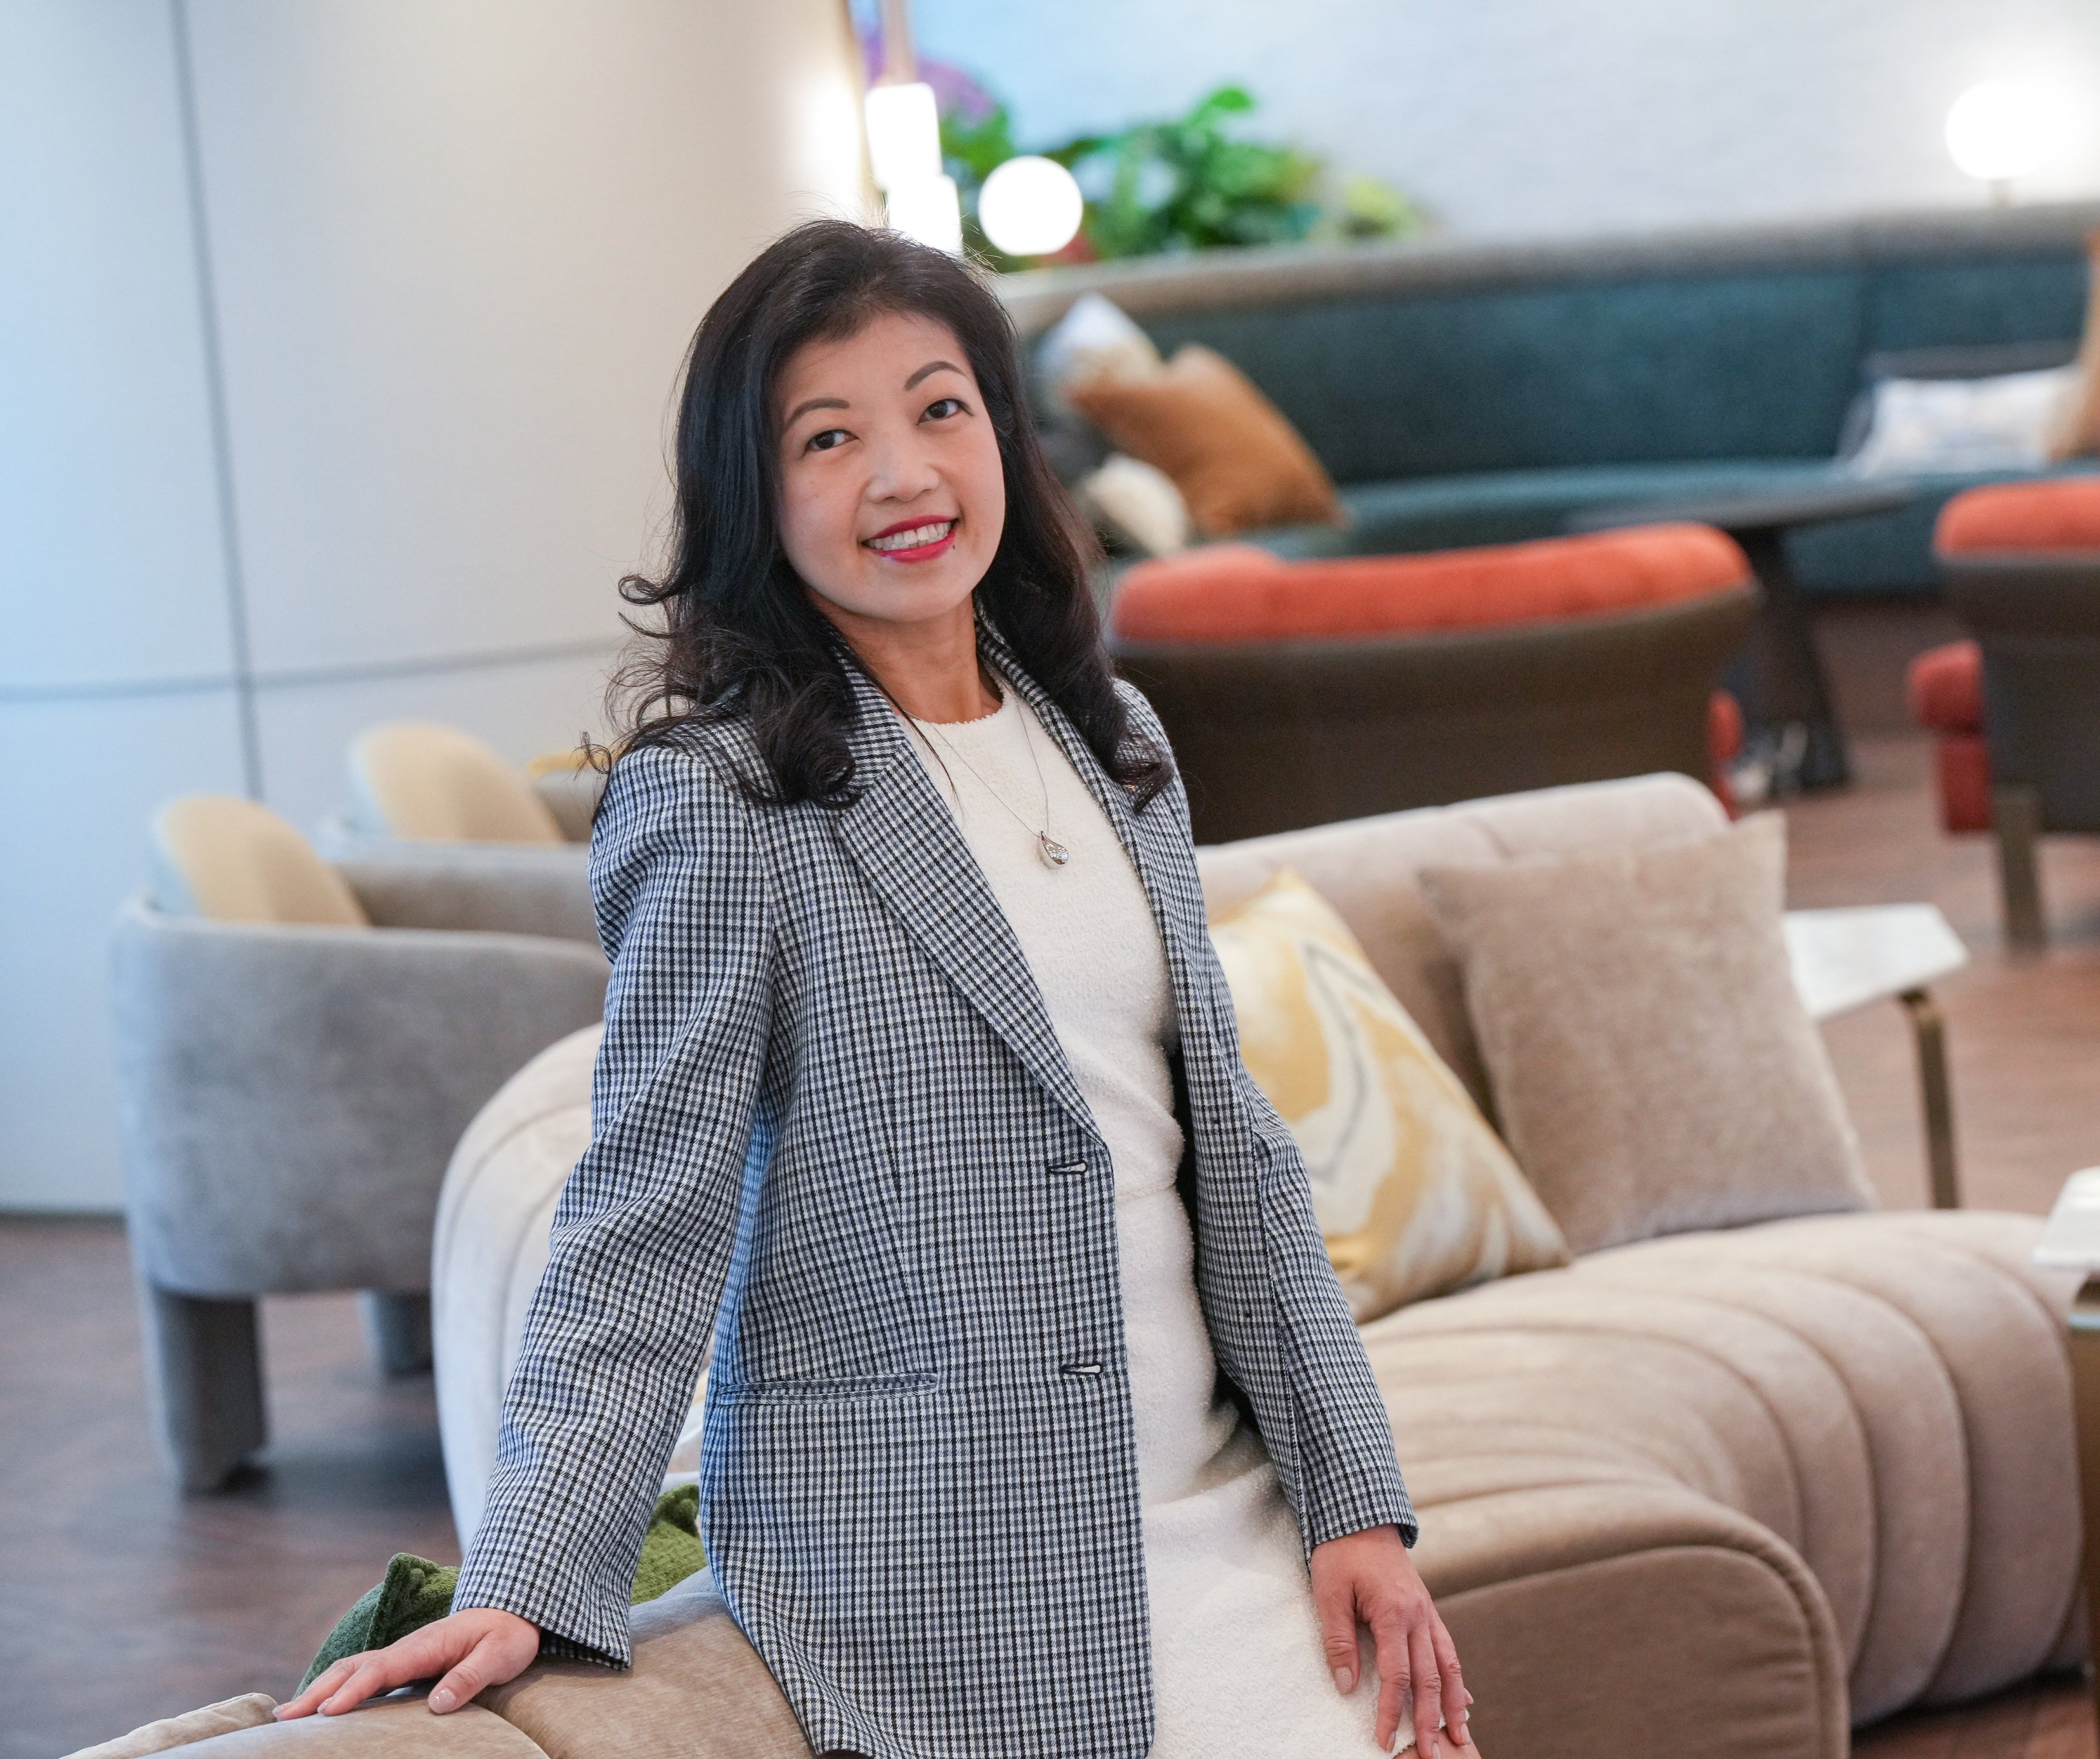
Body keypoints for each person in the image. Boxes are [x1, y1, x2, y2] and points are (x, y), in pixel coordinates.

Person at [277, 220, 1473, 1759]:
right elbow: (649, 1210)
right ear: (756, 499)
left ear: (1001, 435)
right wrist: (528, 1570)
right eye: (827, 437)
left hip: (1229, 1504)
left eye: (939, 409)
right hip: (949, 1571)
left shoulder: (1118, 742)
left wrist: (1350, 1499)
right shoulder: (718, 802)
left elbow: (1227, 1151)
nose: (902, 474)